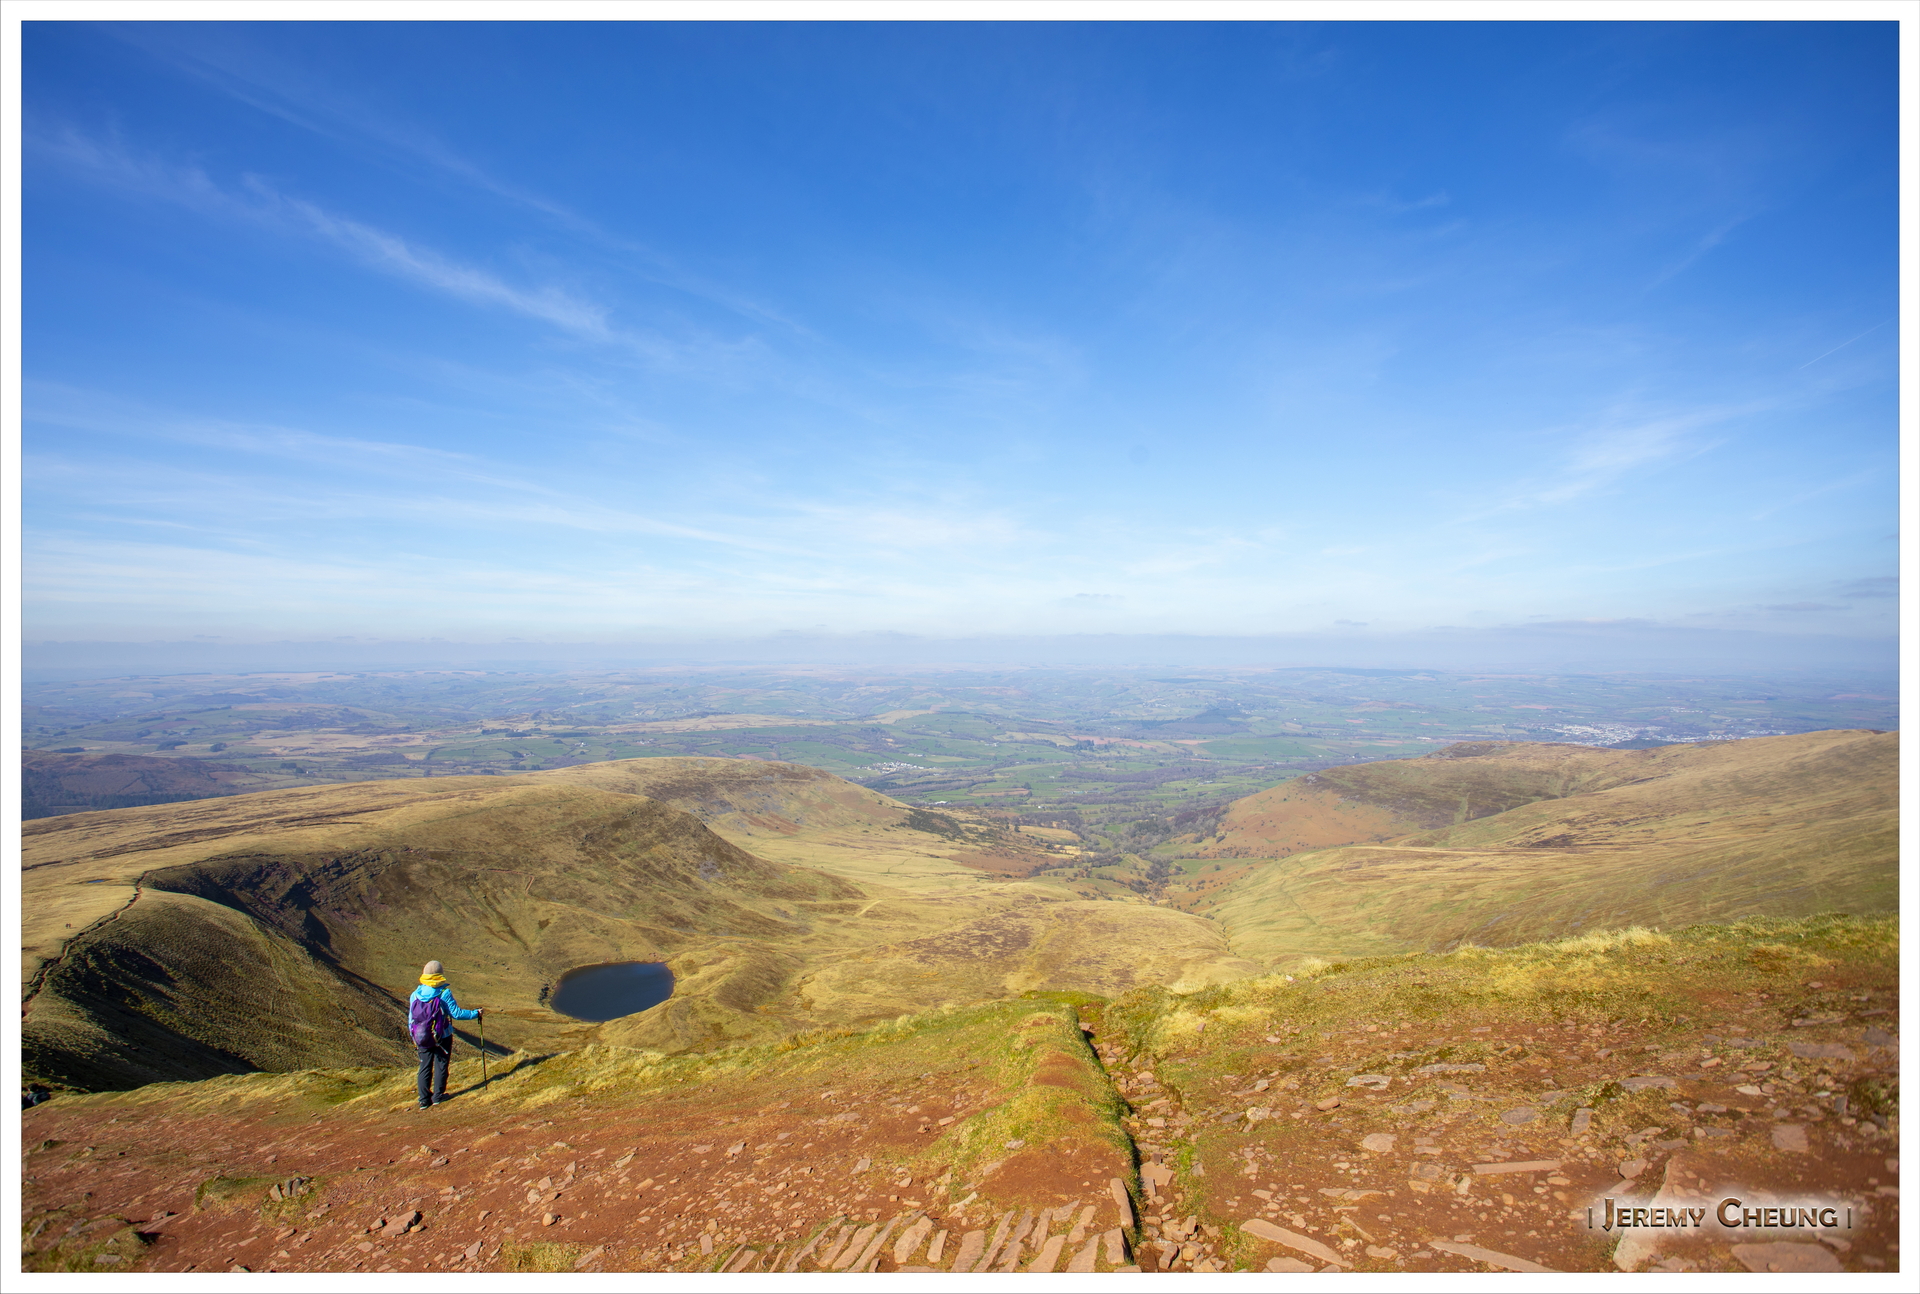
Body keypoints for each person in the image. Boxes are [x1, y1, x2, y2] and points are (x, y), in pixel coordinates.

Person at [409, 960, 482, 1110]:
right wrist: (476, 1013)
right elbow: (457, 1014)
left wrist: (414, 1036)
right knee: (441, 1064)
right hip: (442, 1036)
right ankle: (438, 1096)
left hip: (421, 1036)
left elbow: (411, 1018)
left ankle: (423, 1100)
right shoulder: (444, 993)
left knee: (424, 1066)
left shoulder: (415, 995)